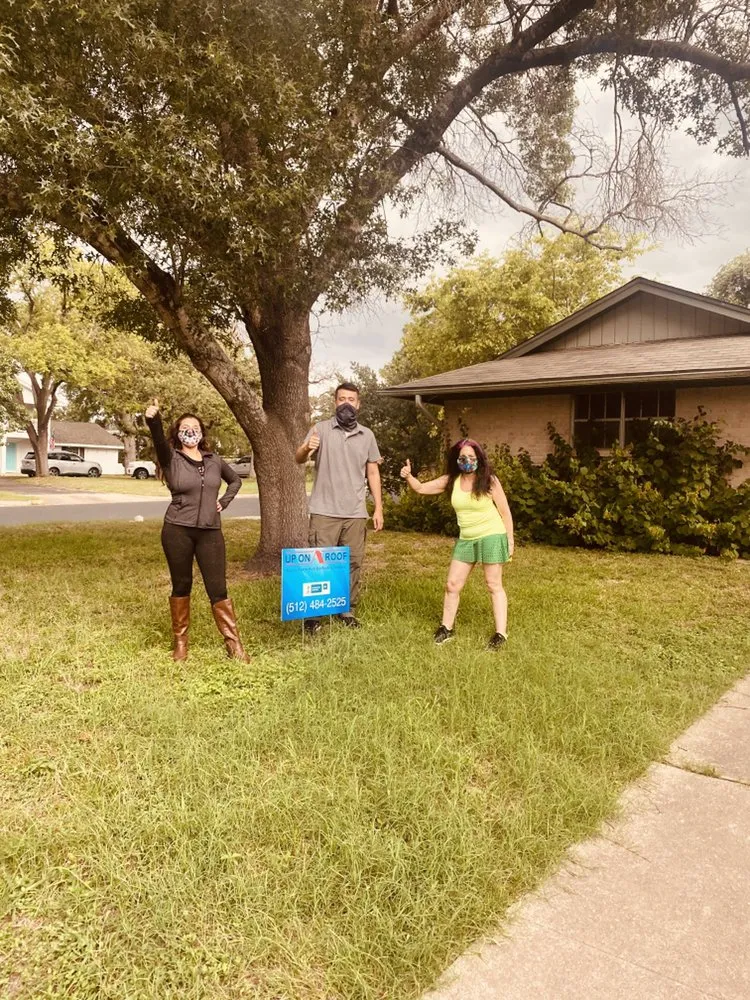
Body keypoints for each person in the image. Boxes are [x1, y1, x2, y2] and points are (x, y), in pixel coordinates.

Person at [144, 398, 250, 662]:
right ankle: (181, 643)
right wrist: (154, 419)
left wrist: (223, 502)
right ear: (177, 433)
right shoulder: (171, 458)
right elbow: (157, 437)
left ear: (201, 432)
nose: (190, 431)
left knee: (218, 588)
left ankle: (233, 645)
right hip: (177, 529)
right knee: (182, 584)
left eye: (195, 427)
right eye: (185, 427)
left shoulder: (214, 460)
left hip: (210, 531)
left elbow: (235, 481)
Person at [400, 439, 514, 649]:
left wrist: (510, 540)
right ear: (457, 459)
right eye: (463, 458)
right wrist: (409, 476)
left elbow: (505, 512)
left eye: (472, 457)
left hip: (491, 535)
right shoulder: (451, 480)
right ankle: (446, 628)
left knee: (493, 584)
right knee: (452, 585)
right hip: (466, 539)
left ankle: (500, 634)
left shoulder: (489, 481)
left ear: (479, 459)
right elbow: (421, 488)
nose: (467, 461)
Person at [295, 382, 384, 633]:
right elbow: (299, 458)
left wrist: (378, 508)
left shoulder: (367, 435)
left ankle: (346, 609)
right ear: (335, 402)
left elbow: (373, 472)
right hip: (324, 511)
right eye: (341, 398)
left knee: (353, 562)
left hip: (355, 512)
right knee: (318, 563)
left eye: (351, 399)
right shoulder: (319, 429)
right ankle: (313, 616)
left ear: (358, 404)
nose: (346, 403)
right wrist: (305, 448)